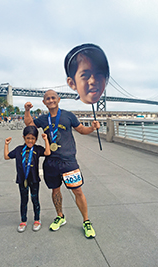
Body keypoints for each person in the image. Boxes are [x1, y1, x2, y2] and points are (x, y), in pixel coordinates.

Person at [24, 90, 100, 238]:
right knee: (55, 191)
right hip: (51, 162)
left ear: (58, 99)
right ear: (44, 102)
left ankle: (86, 221)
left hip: (68, 161)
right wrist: (27, 111)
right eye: (48, 98)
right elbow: (30, 125)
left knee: (77, 191)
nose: (51, 100)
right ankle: (60, 216)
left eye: (53, 98)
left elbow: (81, 130)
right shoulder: (43, 118)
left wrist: (92, 128)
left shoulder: (68, 115)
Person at [4, 126, 51, 233]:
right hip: (22, 180)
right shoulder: (19, 149)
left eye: (33, 138)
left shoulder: (37, 149)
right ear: (23, 137)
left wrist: (46, 140)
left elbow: (48, 153)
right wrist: (6, 144)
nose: (30, 141)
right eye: (28, 138)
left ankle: (37, 220)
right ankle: (23, 221)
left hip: (34, 180)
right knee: (23, 200)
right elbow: (7, 156)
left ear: (36, 138)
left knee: (35, 200)